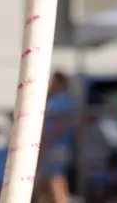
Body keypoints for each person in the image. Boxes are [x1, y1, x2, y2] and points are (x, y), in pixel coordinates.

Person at [36, 73, 75, 203]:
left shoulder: (63, 100)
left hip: (57, 146)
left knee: (56, 178)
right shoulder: (52, 99)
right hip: (49, 145)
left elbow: (60, 124)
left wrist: (46, 140)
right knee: (44, 181)